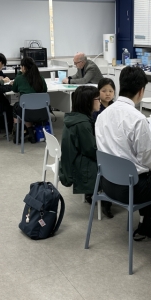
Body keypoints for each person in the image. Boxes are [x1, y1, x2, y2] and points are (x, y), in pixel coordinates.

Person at [95, 66, 151, 244]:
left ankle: (146, 223)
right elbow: (147, 160)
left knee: (150, 176)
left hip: (106, 183)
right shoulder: (138, 119)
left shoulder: (102, 115)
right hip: (130, 189)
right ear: (141, 91)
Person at [59, 86, 113, 218]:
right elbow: (92, 150)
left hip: (73, 160)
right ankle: (107, 200)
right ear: (88, 102)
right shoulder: (82, 124)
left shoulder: (75, 117)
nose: (100, 102)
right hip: (79, 166)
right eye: (97, 99)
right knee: (113, 163)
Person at [12, 57, 48, 144]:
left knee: (17, 107)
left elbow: (14, 89)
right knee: (27, 106)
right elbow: (45, 90)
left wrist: (19, 73)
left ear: (23, 67)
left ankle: (18, 134)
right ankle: (32, 135)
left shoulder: (19, 78)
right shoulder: (40, 78)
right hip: (41, 111)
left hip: (26, 111)